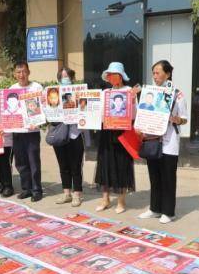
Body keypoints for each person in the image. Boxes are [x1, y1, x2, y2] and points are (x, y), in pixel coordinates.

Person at [138, 60, 188, 224]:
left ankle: (168, 212)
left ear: (167, 74)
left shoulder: (177, 94)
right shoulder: (150, 93)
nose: (155, 76)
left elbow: (185, 119)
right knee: (154, 176)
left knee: (168, 177)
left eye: (158, 73)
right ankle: (155, 208)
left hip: (169, 141)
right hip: (152, 139)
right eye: (153, 73)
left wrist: (177, 119)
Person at [94, 62, 136, 214]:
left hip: (123, 133)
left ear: (121, 76)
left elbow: (134, 115)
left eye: (115, 74)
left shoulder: (129, 91)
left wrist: (132, 102)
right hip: (107, 133)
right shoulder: (105, 92)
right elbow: (99, 113)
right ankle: (105, 199)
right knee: (105, 164)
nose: (112, 77)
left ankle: (121, 201)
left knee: (122, 165)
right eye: (110, 75)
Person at [10, 61, 44, 202]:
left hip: (32, 132)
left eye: (24, 71)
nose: (21, 74)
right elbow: (8, 111)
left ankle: (37, 190)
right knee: (21, 162)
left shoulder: (36, 87)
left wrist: (38, 122)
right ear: (14, 74)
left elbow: (42, 107)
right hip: (17, 131)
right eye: (18, 72)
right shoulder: (12, 89)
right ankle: (26, 189)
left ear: (28, 72)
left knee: (33, 161)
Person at [53, 67, 85, 207]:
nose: (65, 79)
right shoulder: (53, 94)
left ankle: (77, 194)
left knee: (75, 165)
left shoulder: (80, 92)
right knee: (63, 165)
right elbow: (50, 113)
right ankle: (66, 193)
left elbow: (86, 110)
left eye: (67, 77)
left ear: (72, 78)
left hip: (75, 134)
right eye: (62, 77)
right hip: (60, 134)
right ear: (59, 79)